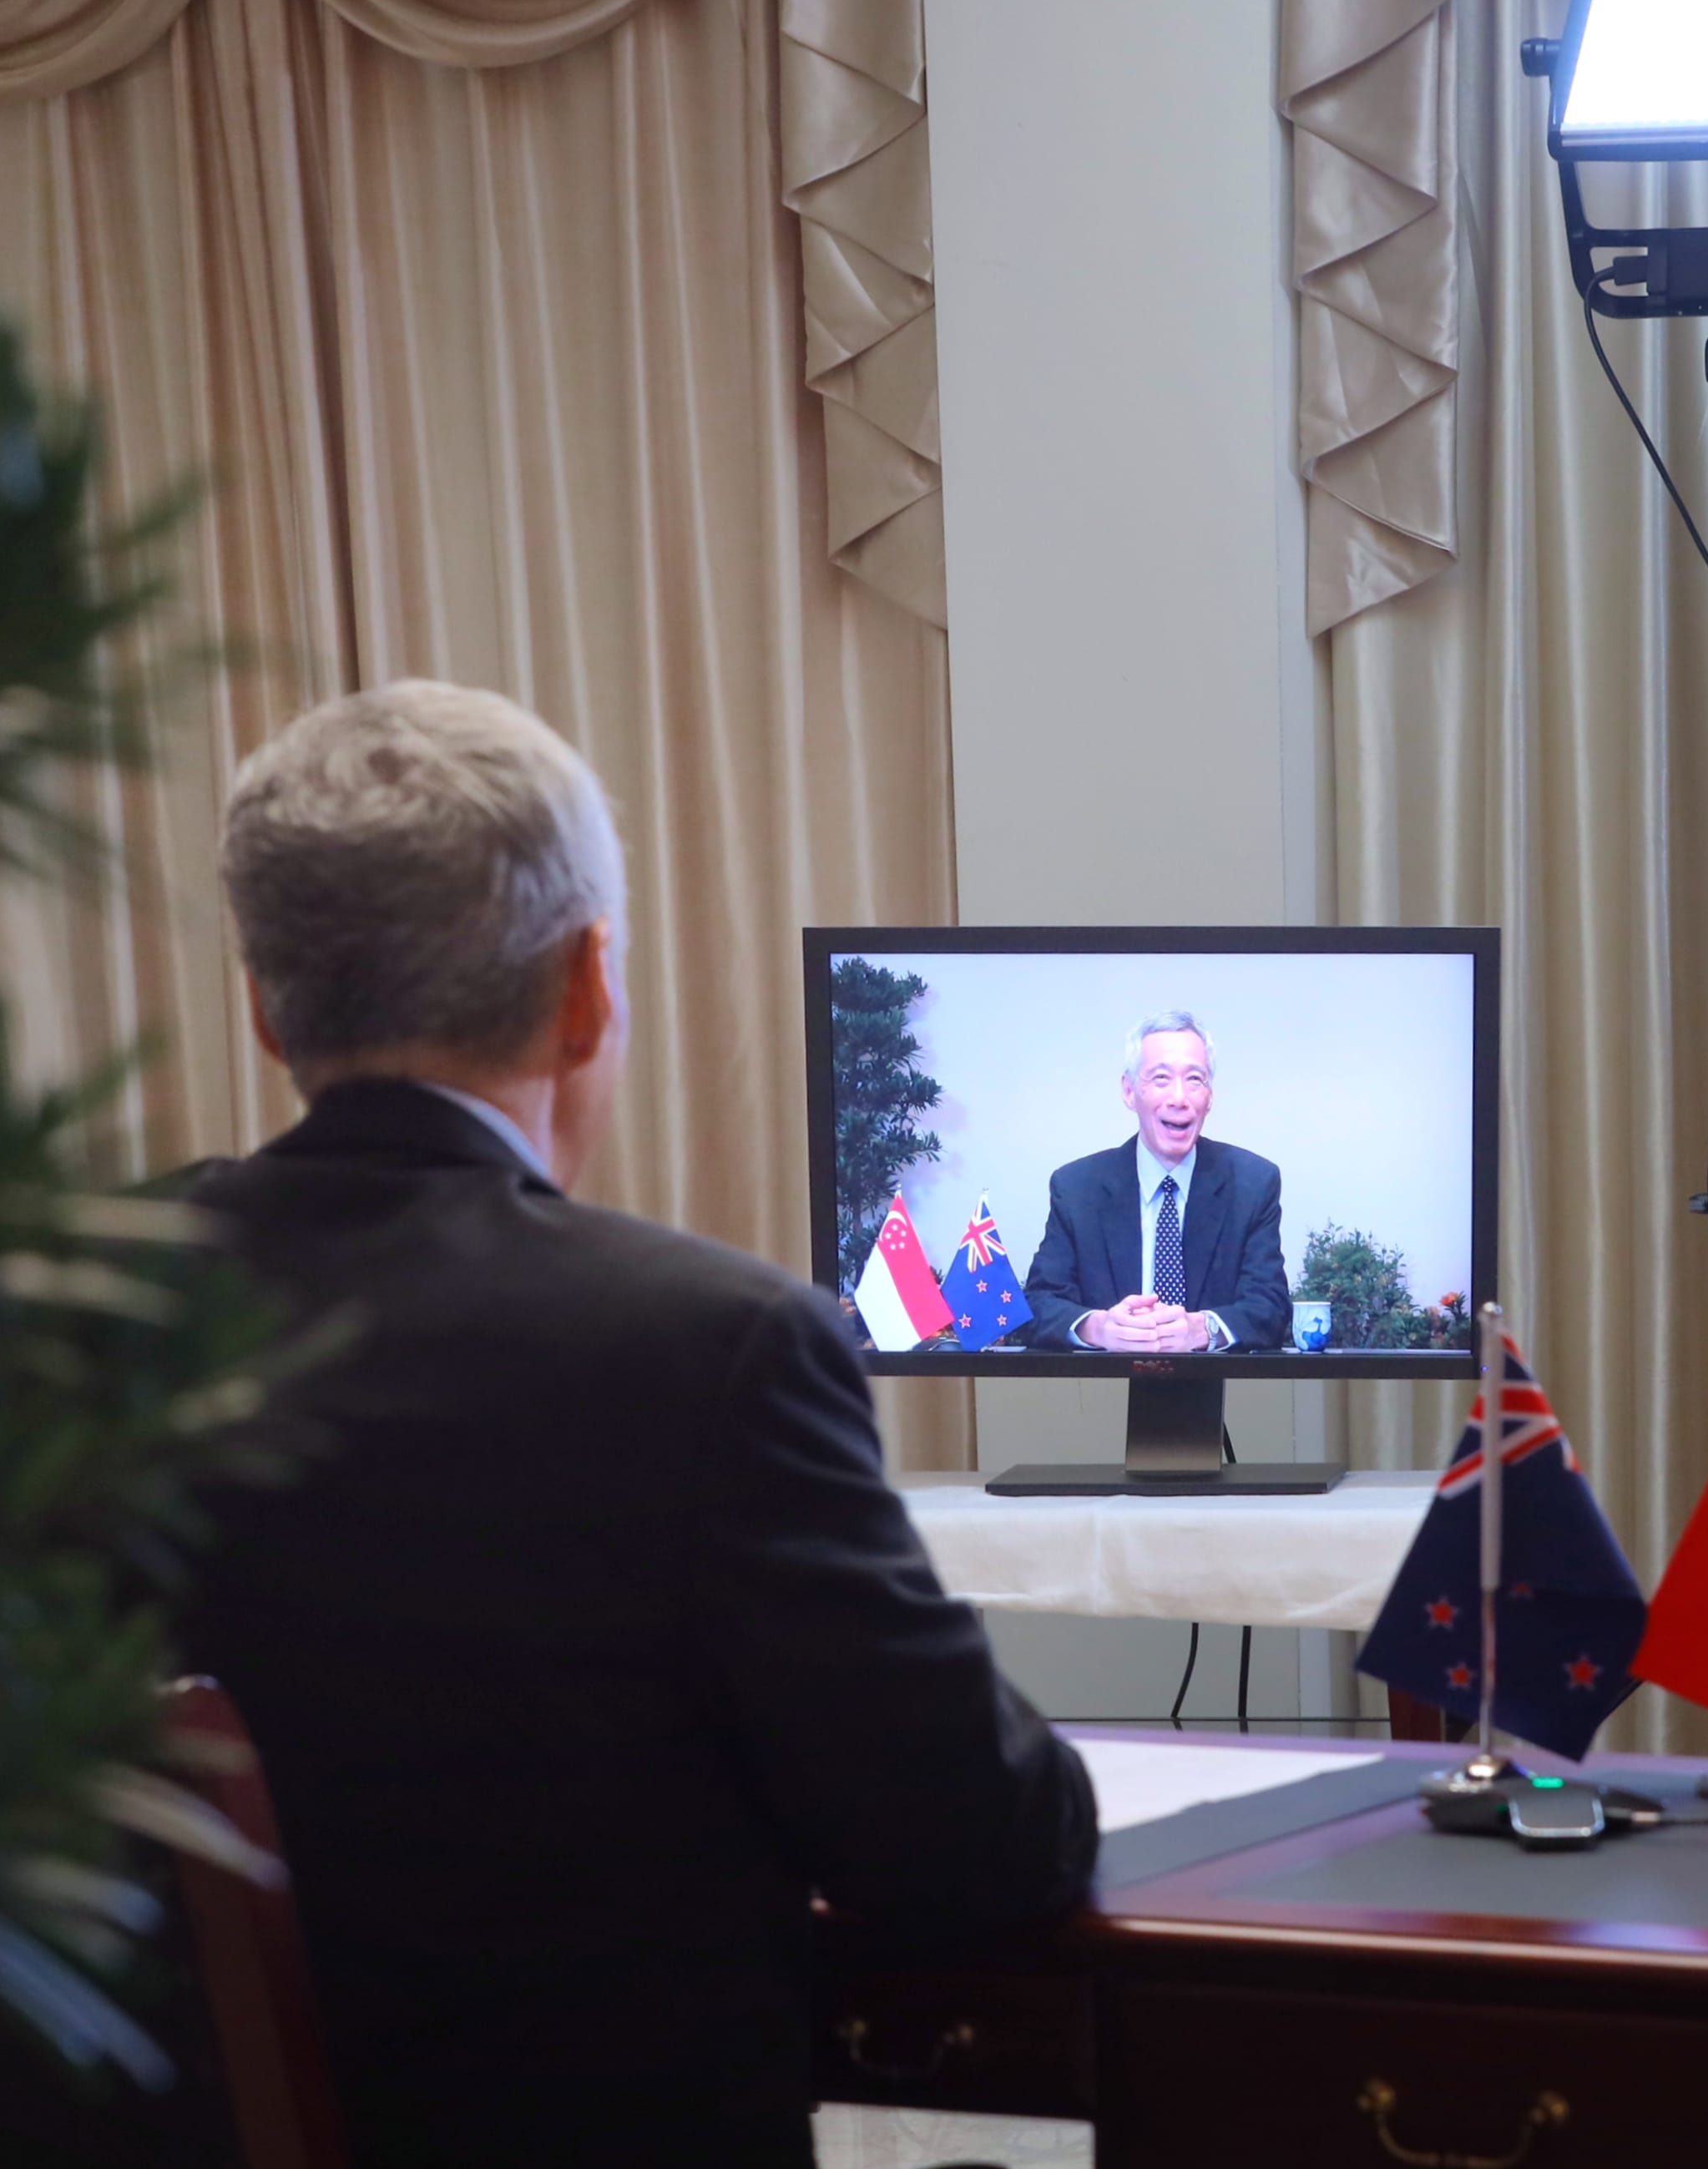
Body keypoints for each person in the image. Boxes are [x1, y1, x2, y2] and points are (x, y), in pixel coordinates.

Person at [182, 680, 1095, 2167]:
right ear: (589, 983)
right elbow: (980, 1857)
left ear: (266, 1000)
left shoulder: (46, 1326)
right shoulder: (712, 1349)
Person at [1020, 1011, 1291, 1351]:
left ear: (1210, 1097)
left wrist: (1202, 1330)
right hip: (1100, 1391)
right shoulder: (1077, 1188)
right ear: (1130, 1091)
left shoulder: (1252, 1183)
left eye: (1195, 1080)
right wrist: (1099, 1328)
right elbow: (1038, 1304)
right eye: (1161, 1079)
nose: (1179, 1099)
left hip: (1223, 1390)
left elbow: (1271, 1308)